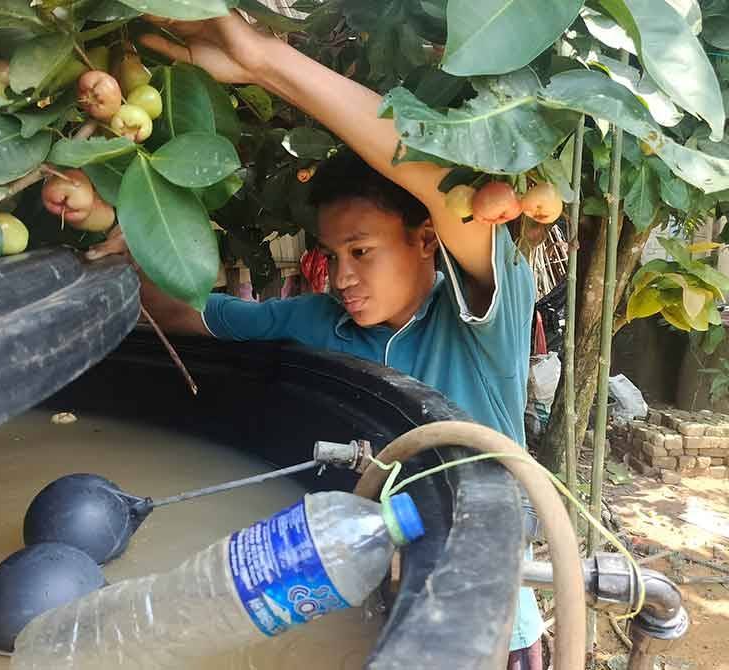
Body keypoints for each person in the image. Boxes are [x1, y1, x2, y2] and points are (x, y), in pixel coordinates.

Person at [87, 11, 543, 667]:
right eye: (333, 255)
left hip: (484, 626)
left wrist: (265, 62)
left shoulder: (482, 320)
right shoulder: (320, 319)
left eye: (361, 250)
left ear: (424, 240)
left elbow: (447, 192)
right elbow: (196, 315)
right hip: (366, 602)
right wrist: (115, 262)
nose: (342, 276)